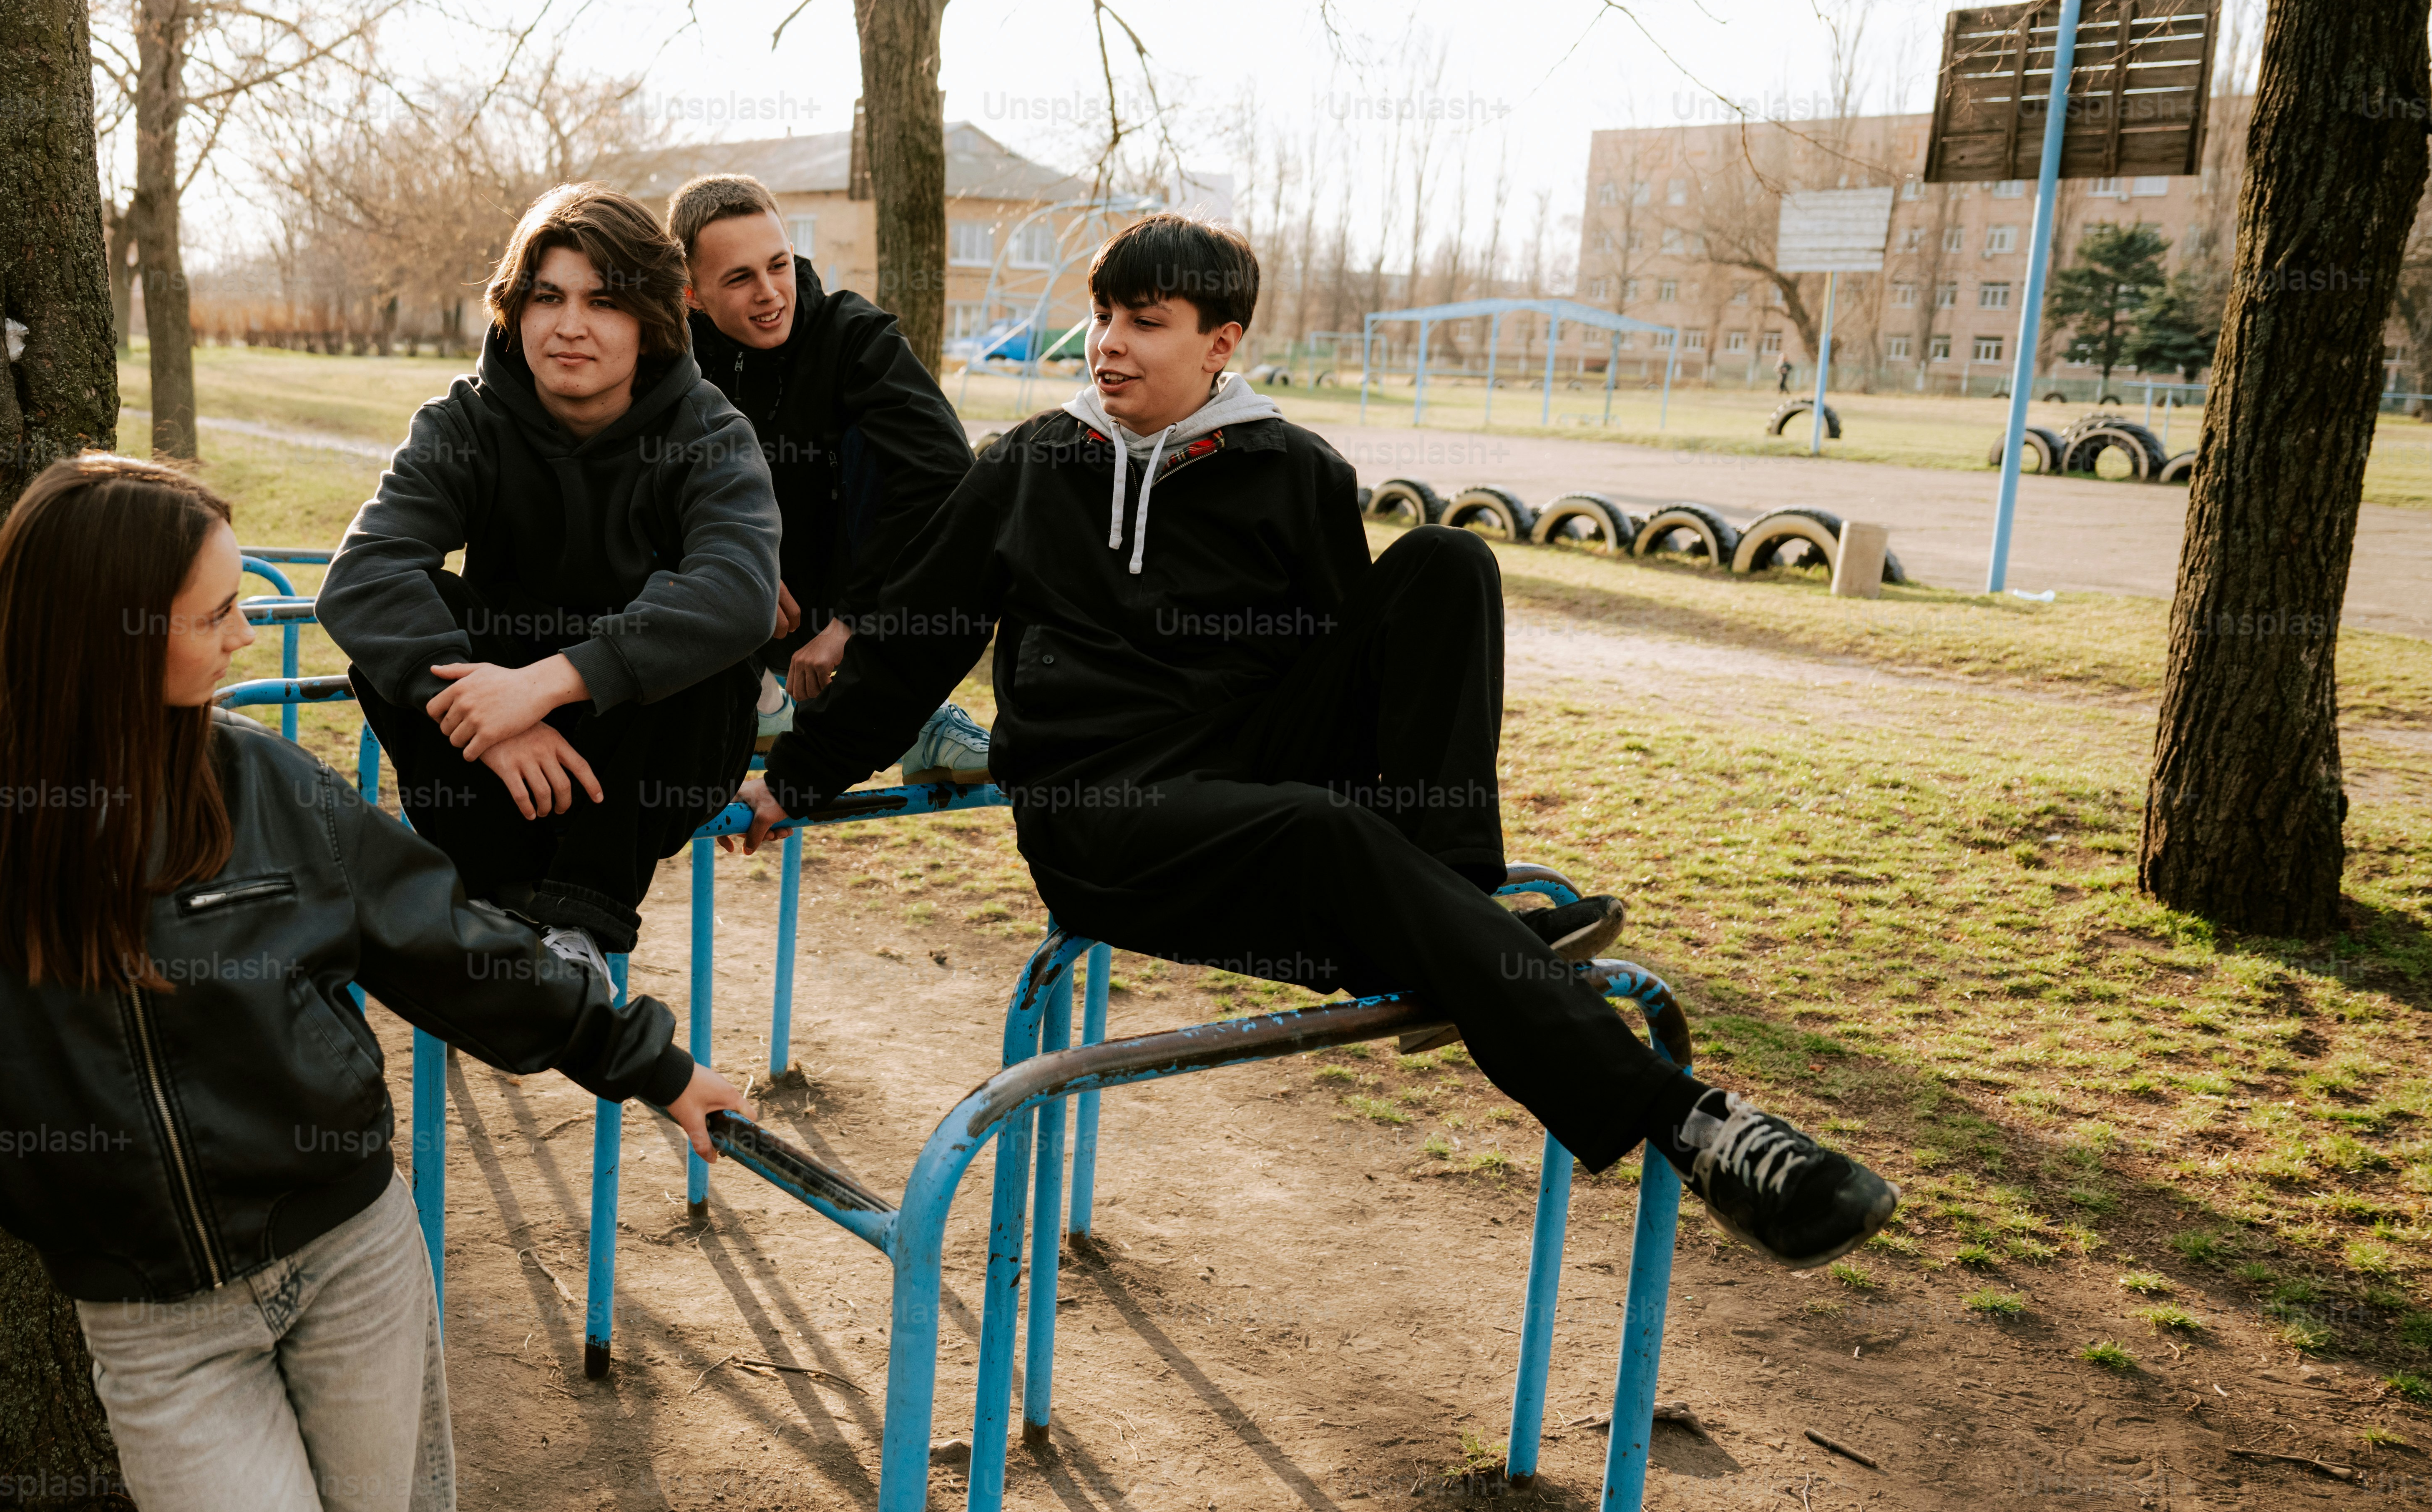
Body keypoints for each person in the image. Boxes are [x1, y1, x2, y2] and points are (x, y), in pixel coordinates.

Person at [0, 453, 744, 1512]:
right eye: (216, 616)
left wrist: (643, 1058)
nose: (248, 638)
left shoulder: (259, 785)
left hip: (353, 1265)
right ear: (108, 637)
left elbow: (446, 947)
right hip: (158, 1333)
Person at [733, 216, 1898, 1268]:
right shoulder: (1033, 465)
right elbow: (915, 645)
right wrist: (798, 774)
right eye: (1102, 317)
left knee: (1447, 563)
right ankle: (1689, 1123)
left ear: (1221, 342)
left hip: (1249, 788)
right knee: (1319, 825)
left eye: (1147, 323)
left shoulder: (1296, 475)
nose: (1110, 344)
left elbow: (1355, 680)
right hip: (1104, 823)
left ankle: (1453, 900)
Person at [319, 183, 779, 959]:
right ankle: (495, 909)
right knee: (405, 617)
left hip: (644, 742)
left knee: (715, 647)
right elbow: (363, 572)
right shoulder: (463, 422)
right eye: (546, 298)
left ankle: (578, 930)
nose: (570, 327)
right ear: (515, 308)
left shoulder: (707, 429)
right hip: (491, 742)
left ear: (650, 320)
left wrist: (544, 686)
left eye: (603, 302)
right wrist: (496, 722)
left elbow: (740, 589)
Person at [668, 174, 975, 722]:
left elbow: (945, 473)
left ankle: (916, 708)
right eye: (739, 278)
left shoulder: (854, 335)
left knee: (904, 453)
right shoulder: (671, 360)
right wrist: (742, 566)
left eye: (779, 264)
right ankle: (749, 693)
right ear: (692, 293)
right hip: (726, 605)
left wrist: (855, 619)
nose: (769, 291)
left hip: (854, 606)